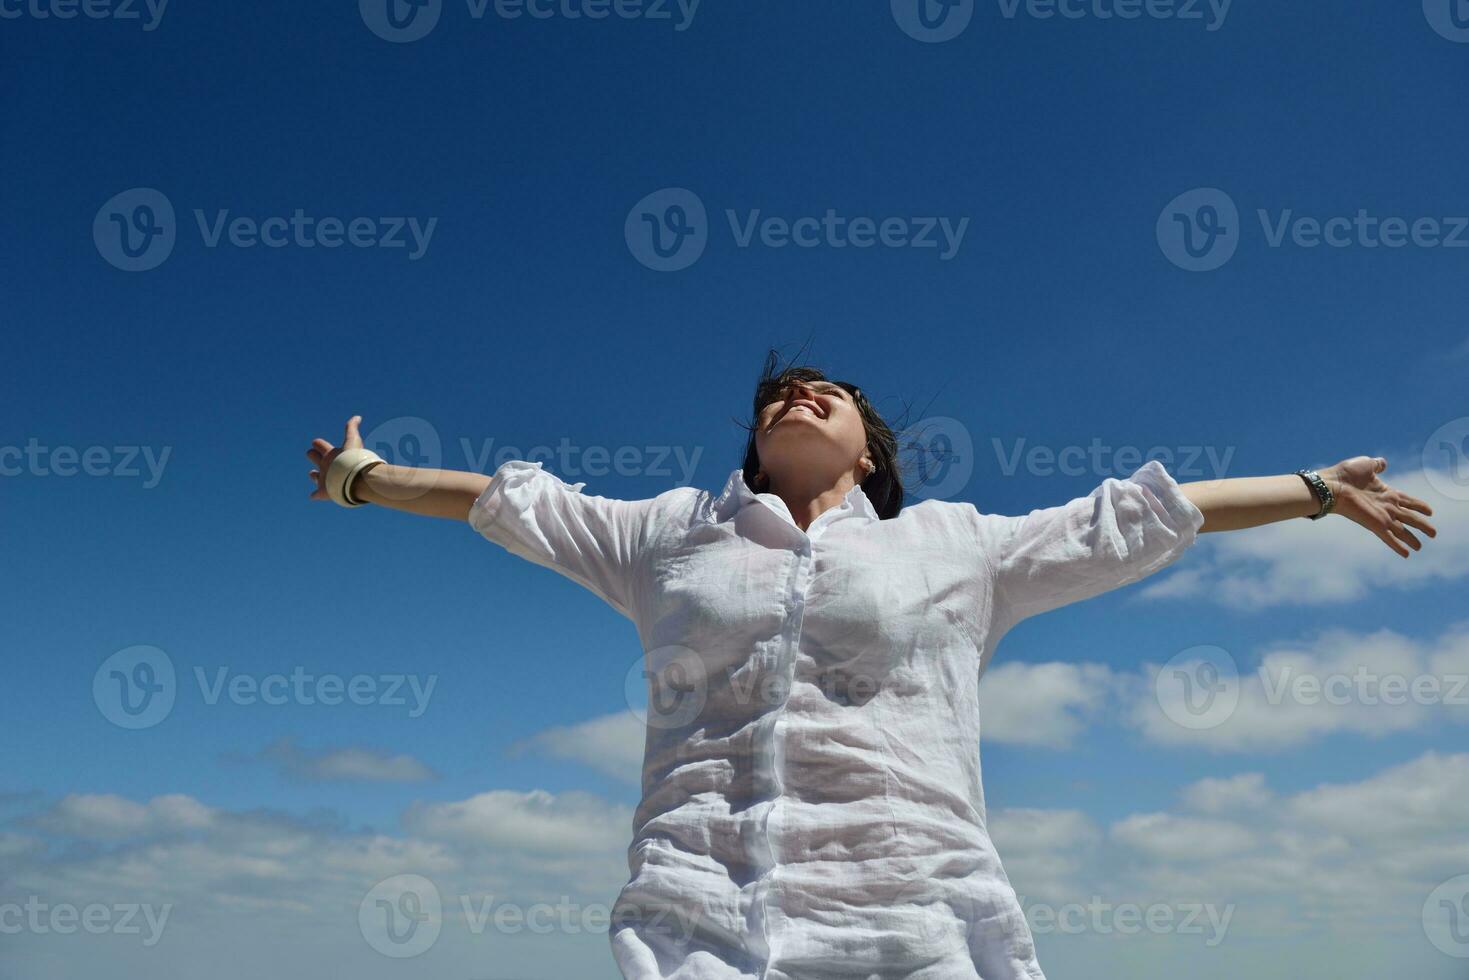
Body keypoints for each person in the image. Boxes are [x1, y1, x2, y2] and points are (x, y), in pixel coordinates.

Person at [304, 354, 1436, 980]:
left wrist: (1318, 490)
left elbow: (1134, 518)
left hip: (918, 922)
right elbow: (512, 505)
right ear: (751, 444)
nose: (792, 399)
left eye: (823, 393)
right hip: (696, 921)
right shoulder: (667, 533)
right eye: (773, 397)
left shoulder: (954, 543)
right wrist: (367, 476)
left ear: (868, 447)